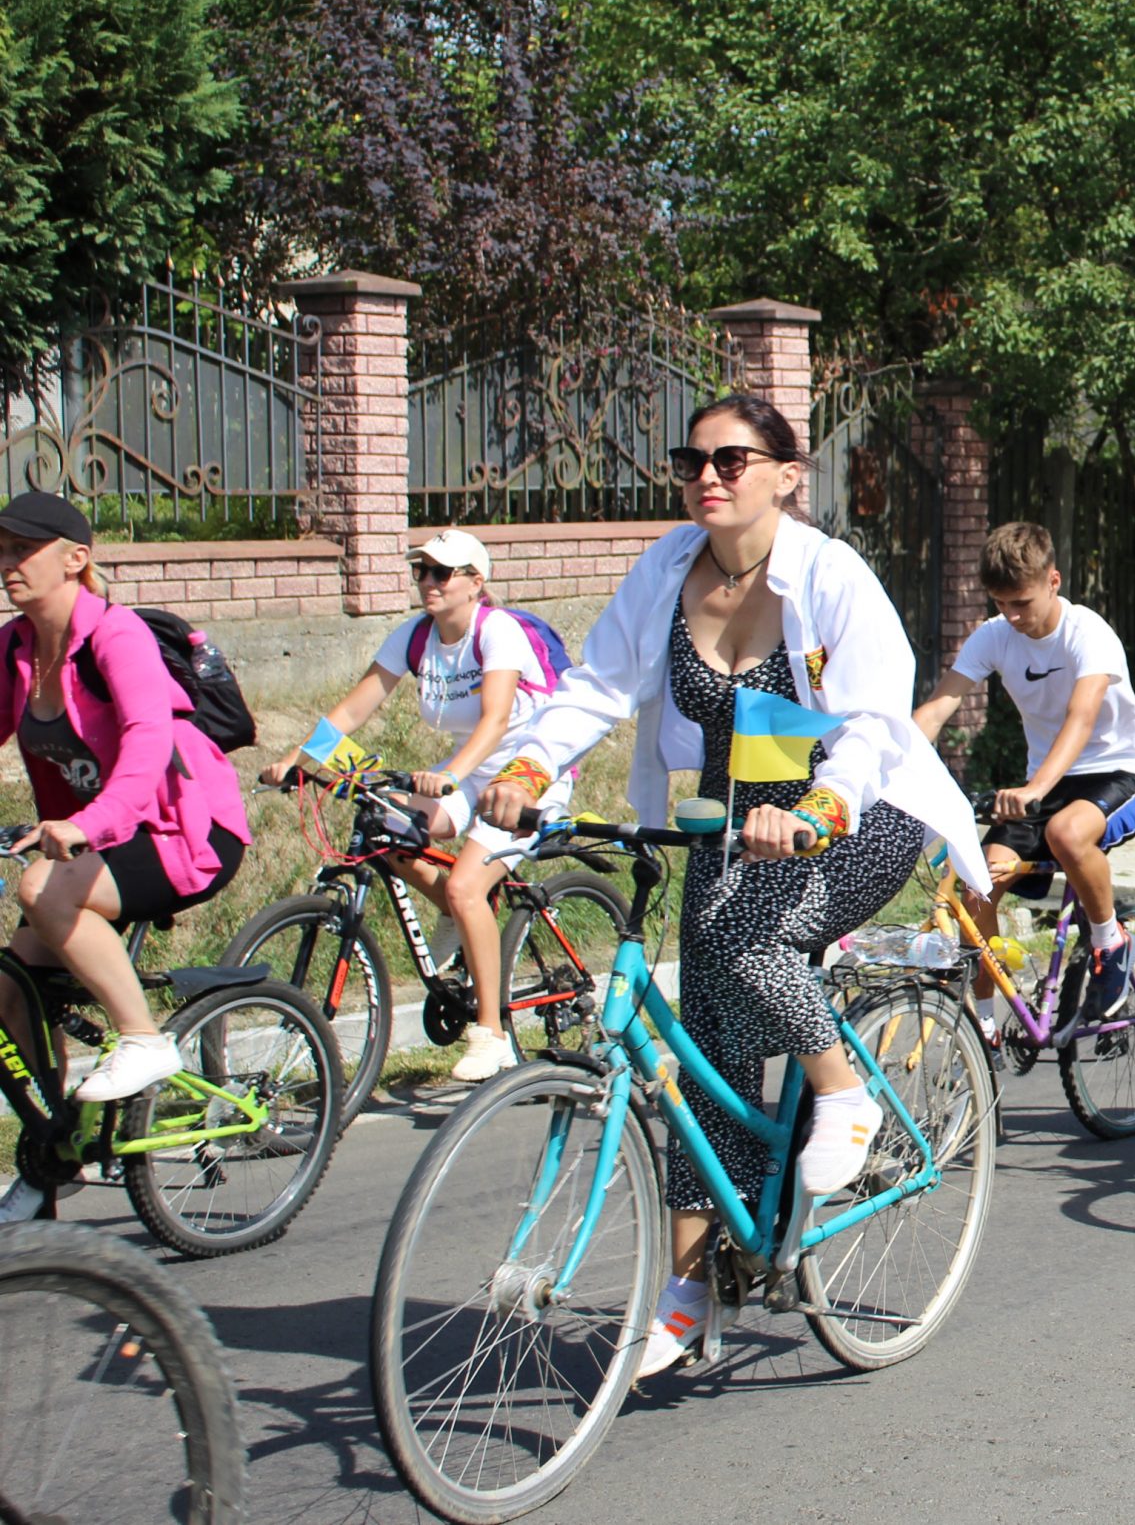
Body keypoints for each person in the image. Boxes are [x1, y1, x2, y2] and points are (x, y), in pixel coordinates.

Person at [477, 394, 987, 1379]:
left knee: (746, 938)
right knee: (704, 1045)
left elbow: (872, 724)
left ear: (786, 476)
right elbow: (596, 682)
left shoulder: (830, 575)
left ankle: (843, 1094)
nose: (707, 476)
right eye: (692, 460)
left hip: (862, 807)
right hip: (731, 821)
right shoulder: (669, 567)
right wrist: (528, 768)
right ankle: (687, 1294)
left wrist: (819, 808)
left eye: (731, 459)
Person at [0, 492, 251, 1225]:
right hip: (93, 840)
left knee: (42, 887)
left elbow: (146, 748)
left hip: (183, 832)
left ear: (75, 559)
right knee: (11, 992)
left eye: (24, 548)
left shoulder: (117, 636)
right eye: (3, 549)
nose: (9, 562)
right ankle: (54, 1156)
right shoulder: (15, 649)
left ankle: (143, 1038)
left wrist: (87, 824)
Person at [257, 529, 567, 1082]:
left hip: (529, 772)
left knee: (467, 884)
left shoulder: (495, 630)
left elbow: (496, 719)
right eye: (421, 570)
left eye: (441, 572)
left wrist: (449, 776)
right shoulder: (415, 636)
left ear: (476, 582)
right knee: (382, 824)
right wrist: (294, 758)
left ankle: (492, 1034)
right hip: (468, 771)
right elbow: (352, 711)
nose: (427, 581)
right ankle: (456, 911)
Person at [914, 521, 1135, 1020]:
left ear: (1053, 580)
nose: (1011, 615)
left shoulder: (1087, 633)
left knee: (1066, 832)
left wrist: (1036, 788)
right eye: (1000, 603)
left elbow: (1081, 716)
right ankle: (984, 1025)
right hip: (1045, 783)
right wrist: (883, 770)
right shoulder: (995, 636)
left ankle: (1110, 942)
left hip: (1117, 771)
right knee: (976, 886)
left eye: (1021, 602)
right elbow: (937, 709)